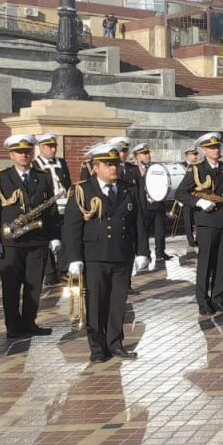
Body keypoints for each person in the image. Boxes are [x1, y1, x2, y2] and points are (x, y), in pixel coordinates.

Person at [63, 144, 149, 362]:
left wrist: (142, 251)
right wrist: (73, 258)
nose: (114, 169)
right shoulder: (82, 190)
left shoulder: (128, 188)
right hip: (94, 256)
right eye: (108, 165)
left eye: (116, 164)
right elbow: (72, 227)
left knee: (118, 302)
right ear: (96, 167)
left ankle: (115, 342)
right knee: (96, 303)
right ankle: (97, 348)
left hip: (122, 254)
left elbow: (138, 222)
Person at [0, 135, 62, 339]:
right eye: (19, 152)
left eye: (27, 151)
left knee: (34, 284)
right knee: (11, 286)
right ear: (11, 155)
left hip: (37, 239)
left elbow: (50, 209)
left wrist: (54, 236)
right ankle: (13, 326)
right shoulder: (0, 176)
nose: (24, 155)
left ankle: (29, 322)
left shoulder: (42, 176)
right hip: (11, 240)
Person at [174, 132, 223, 316]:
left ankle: (217, 299)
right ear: (203, 150)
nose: (215, 150)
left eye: (217, 147)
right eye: (211, 147)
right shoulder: (196, 170)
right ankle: (203, 301)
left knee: (222, 264)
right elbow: (180, 193)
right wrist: (199, 203)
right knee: (205, 263)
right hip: (207, 223)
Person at [33, 133, 72, 285]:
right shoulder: (35, 164)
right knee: (46, 238)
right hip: (46, 206)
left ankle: (63, 269)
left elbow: (67, 182)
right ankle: (49, 273)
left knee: (64, 237)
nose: (53, 149)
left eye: (54, 146)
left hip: (63, 205)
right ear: (41, 147)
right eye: (49, 146)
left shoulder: (61, 162)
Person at [132, 143, 172, 263]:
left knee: (160, 230)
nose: (147, 156)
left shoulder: (155, 168)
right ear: (137, 156)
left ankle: (160, 252)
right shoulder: (133, 170)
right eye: (144, 154)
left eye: (148, 153)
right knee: (143, 231)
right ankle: (145, 253)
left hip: (157, 204)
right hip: (143, 205)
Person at [180, 147, 199, 248]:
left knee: (198, 217)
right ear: (187, 155)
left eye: (196, 154)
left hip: (196, 196)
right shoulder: (181, 167)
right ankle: (190, 240)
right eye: (193, 154)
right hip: (186, 197)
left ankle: (198, 239)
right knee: (188, 219)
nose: (196, 156)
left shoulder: (198, 166)